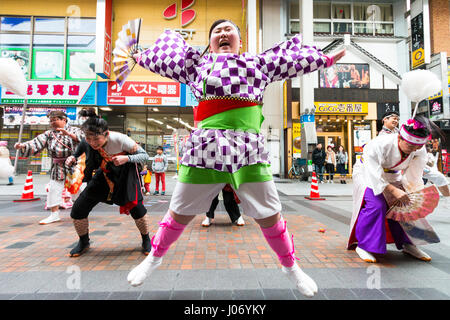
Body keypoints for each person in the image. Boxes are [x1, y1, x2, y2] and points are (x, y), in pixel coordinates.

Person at [125, 19, 345, 298]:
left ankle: (291, 267)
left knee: (270, 215)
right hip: (205, 147)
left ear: (240, 41)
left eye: (229, 30)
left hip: (248, 148)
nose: (223, 33)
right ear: (210, 43)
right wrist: (140, 56)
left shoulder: (258, 64)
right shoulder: (195, 66)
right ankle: (153, 258)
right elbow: (162, 60)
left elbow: (291, 60)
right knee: (179, 212)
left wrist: (323, 59)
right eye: (217, 31)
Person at [348, 115, 443, 263]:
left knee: (405, 205)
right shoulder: (379, 144)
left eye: (417, 147)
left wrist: (409, 193)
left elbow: (414, 175)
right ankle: (364, 246)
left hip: (393, 175)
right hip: (366, 173)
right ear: (399, 138)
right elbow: (373, 172)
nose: (414, 150)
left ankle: (409, 243)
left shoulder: (418, 149)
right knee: (377, 205)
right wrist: (393, 191)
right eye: (410, 146)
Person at [65, 109, 152, 257]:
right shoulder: (87, 141)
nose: (92, 143)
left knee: (138, 211)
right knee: (78, 210)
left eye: (96, 139)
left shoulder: (120, 139)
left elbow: (145, 156)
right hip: (103, 177)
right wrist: (73, 157)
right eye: (88, 138)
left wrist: (127, 159)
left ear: (106, 134)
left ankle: (146, 239)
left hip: (125, 178)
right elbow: (81, 147)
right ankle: (83, 241)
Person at [14, 110, 84, 225]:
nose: (53, 123)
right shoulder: (49, 134)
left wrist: (70, 135)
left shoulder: (75, 130)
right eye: (51, 121)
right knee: (53, 189)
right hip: (58, 165)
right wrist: (23, 146)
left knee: (76, 190)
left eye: (55, 120)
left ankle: (81, 211)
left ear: (64, 120)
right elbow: (35, 143)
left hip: (74, 164)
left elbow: (85, 141)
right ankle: (54, 214)